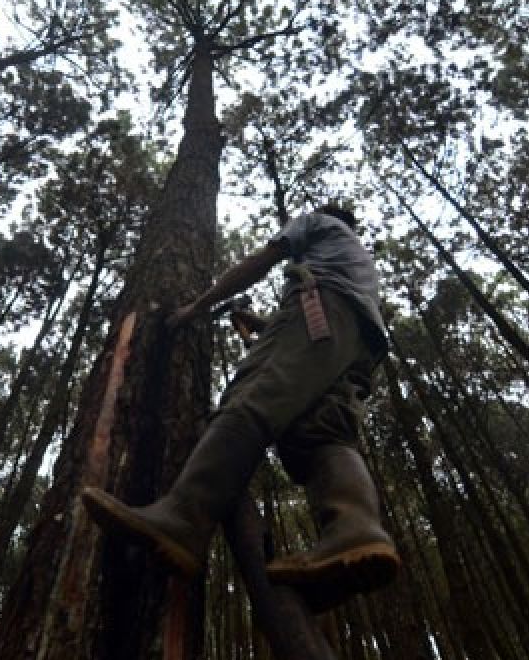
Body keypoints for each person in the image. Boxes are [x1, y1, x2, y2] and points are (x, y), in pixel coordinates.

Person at [81, 204, 399, 611]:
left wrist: (198, 306)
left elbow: (260, 263)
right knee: (320, 433)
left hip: (320, 311)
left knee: (249, 403)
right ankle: (355, 530)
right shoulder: (354, 257)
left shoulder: (317, 224)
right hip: (359, 341)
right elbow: (322, 336)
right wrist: (268, 325)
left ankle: (182, 519)